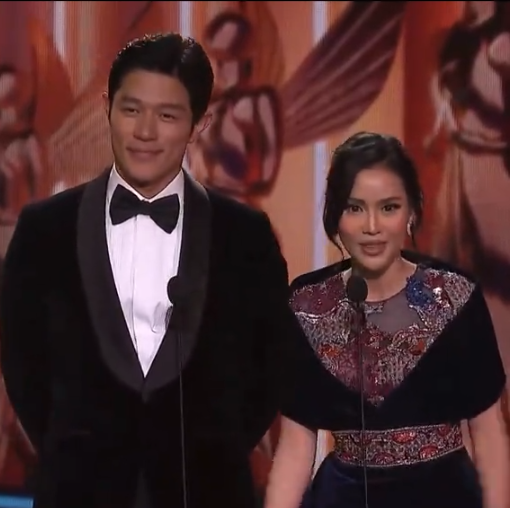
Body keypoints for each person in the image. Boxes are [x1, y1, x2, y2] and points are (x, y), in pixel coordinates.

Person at [0, 32, 294, 508]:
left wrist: (209, 452)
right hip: (78, 492)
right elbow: (22, 364)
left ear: (199, 124)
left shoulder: (246, 237)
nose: (145, 131)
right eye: (131, 110)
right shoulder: (44, 230)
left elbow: (270, 367)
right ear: (107, 108)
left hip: (207, 492)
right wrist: (70, 449)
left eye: (167, 115)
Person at [264, 131, 510, 508]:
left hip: (443, 494)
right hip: (343, 496)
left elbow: (489, 433)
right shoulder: (307, 304)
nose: (372, 226)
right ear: (335, 216)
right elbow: (296, 444)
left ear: (411, 213)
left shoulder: (455, 297)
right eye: (355, 208)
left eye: (389, 207)